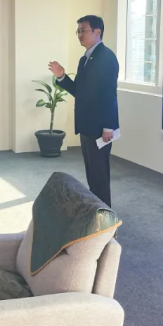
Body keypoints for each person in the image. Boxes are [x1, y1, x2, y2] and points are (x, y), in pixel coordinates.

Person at [48, 15, 119, 207]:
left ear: (97, 31)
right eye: (78, 31)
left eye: (83, 30)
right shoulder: (85, 59)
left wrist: (108, 126)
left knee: (100, 175)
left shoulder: (106, 57)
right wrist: (61, 76)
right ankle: (95, 212)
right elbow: (78, 90)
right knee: (92, 173)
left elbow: (108, 94)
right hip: (87, 125)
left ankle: (105, 216)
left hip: (100, 127)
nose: (80, 34)